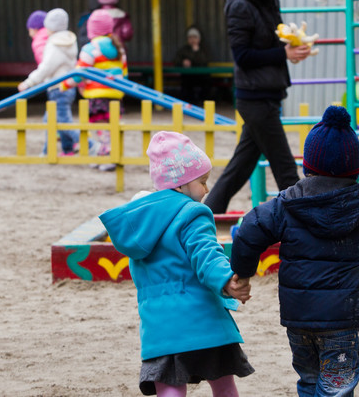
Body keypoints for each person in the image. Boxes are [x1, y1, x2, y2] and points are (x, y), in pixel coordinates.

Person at [230, 105, 359, 397]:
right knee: (335, 389)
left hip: (299, 319)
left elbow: (248, 230)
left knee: (310, 382)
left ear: (307, 167)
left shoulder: (285, 203)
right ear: (354, 170)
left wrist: (242, 274)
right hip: (342, 321)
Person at [99, 131, 255, 397]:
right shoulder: (192, 213)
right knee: (224, 386)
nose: (207, 190)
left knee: (170, 389)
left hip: (160, 327)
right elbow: (205, 253)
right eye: (203, 181)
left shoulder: (140, 221)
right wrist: (225, 280)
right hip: (202, 319)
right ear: (180, 184)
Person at [203, 0, 313, 215]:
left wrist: (293, 50)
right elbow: (243, 56)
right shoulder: (240, 4)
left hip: (267, 91)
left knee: (240, 167)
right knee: (284, 166)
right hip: (254, 96)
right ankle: (309, 219)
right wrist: (282, 53)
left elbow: (275, 41)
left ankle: (207, 214)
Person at [19, 8, 80, 156]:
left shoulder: (54, 44)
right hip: (67, 86)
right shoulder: (69, 40)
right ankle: (66, 149)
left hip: (57, 87)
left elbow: (46, 67)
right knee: (54, 118)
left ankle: (88, 144)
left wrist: (29, 82)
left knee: (61, 120)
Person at [72, 8, 125, 172]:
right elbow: (124, 72)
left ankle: (107, 157)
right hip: (115, 94)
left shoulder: (90, 48)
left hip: (96, 95)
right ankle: (103, 156)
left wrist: (67, 84)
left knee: (98, 128)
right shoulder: (119, 48)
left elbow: (79, 73)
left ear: (91, 29)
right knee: (110, 128)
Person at [174, 25, 210, 106]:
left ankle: (202, 101)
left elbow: (205, 62)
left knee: (207, 82)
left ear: (199, 39)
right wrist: (183, 62)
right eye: (190, 37)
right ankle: (188, 102)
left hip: (201, 76)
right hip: (188, 76)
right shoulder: (183, 50)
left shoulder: (203, 50)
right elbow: (176, 60)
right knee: (186, 83)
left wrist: (196, 51)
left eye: (195, 37)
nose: (192, 39)